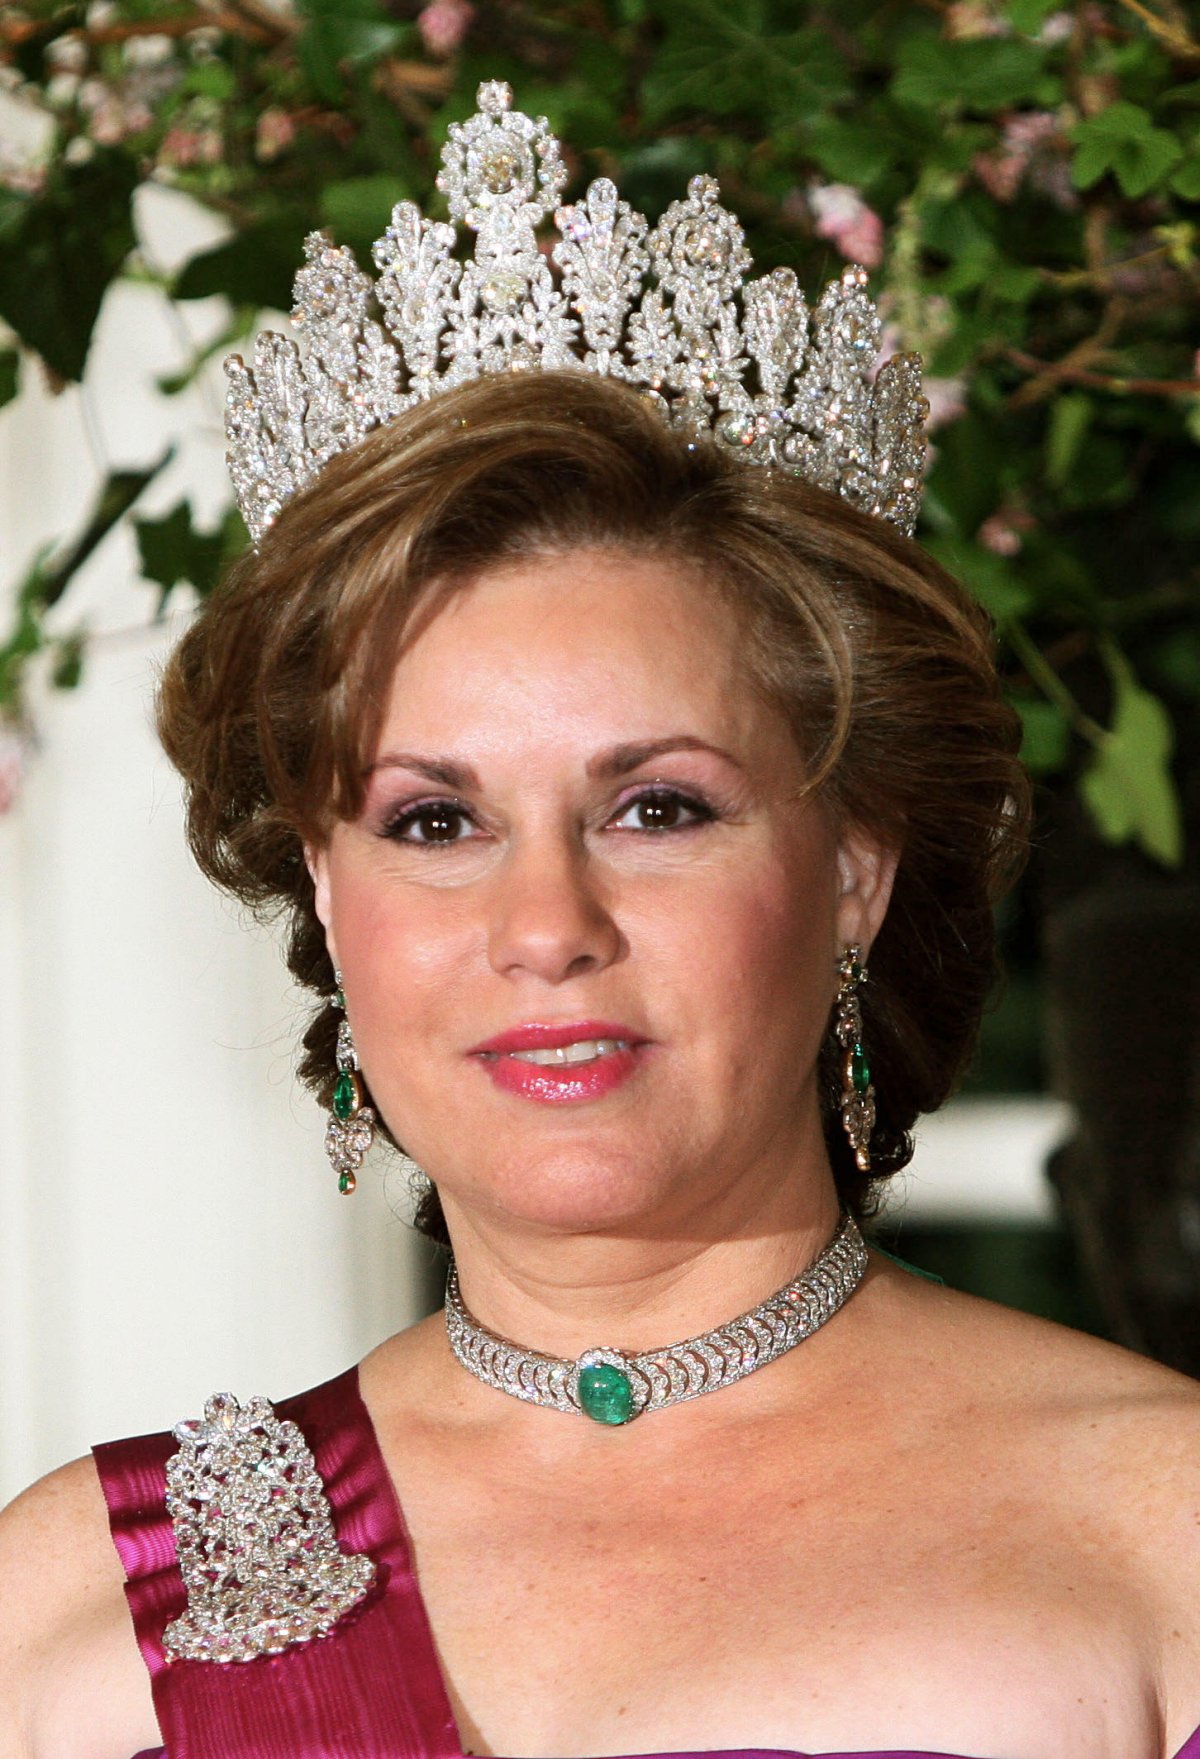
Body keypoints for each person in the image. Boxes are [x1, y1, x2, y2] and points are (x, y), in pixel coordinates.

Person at [2, 80, 1199, 1759]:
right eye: (434, 820)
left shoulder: (1168, 1539)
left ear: (852, 872)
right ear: (330, 902)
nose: (545, 922)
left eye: (658, 809)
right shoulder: (74, 1607)